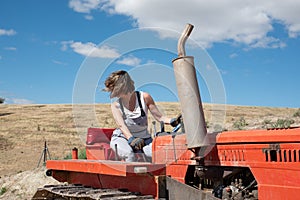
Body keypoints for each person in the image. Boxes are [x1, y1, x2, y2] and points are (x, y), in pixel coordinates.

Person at [103, 70, 180, 162]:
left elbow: (160, 117)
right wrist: (131, 139)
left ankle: (159, 176)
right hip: (122, 138)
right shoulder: (116, 105)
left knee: (159, 154)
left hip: (144, 139)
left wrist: (172, 121)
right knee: (129, 154)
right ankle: (131, 176)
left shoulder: (145, 97)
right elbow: (121, 126)